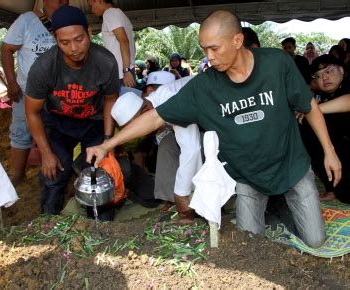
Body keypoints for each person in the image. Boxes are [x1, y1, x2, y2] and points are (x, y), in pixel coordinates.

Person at [87, 10, 342, 248]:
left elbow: (309, 105)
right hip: (248, 178)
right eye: (204, 49)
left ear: (237, 40)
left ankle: (282, 205)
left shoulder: (276, 64)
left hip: (291, 168)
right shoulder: (204, 87)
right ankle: (274, 208)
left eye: (214, 48)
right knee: (249, 246)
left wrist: (329, 151)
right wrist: (107, 144)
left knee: (315, 240)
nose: (208, 57)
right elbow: (154, 118)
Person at [24, 5, 120, 216]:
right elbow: (32, 112)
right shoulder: (43, 68)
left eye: (79, 39)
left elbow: (111, 100)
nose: (74, 48)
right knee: (54, 174)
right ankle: (49, 223)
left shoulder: (106, 62)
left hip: (93, 121)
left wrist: (107, 141)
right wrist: (46, 153)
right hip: (58, 122)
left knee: (98, 176)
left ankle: (102, 227)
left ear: (89, 33)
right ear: (56, 40)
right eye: (64, 42)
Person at [113, 71, 203, 224]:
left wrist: (182, 193)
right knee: (167, 145)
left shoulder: (169, 100)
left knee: (199, 147)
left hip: (217, 119)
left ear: (145, 112)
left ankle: (196, 201)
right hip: (196, 124)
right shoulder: (154, 103)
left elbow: (191, 149)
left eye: (138, 128)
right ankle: (171, 199)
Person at [1, 0, 68, 185]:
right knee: (21, 131)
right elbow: (6, 49)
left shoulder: (68, 19)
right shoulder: (26, 20)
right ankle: (18, 175)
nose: (64, 1)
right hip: (26, 90)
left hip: (59, 92)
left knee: (58, 131)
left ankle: (58, 173)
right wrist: (11, 83)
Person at [300, 54, 350, 203]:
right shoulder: (321, 96)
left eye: (328, 71)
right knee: (308, 127)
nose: (324, 77)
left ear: (341, 70)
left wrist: (314, 110)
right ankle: (334, 188)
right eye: (318, 76)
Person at [88, 0, 136, 89]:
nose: (92, 10)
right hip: (126, 70)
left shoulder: (109, 13)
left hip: (122, 74)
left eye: (91, 6)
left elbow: (124, 41)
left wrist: (126, 70)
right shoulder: (120, 13)